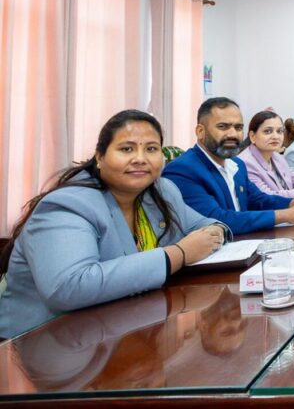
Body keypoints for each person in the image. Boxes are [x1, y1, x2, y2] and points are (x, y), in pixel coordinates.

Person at [0, 110, 229, 338]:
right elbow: (69, 288)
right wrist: (179, 254)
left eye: (151, 149)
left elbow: (203, 224)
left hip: (123, 327)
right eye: (126, 149)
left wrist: (216, 231)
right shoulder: (68, 205)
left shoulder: (161, 191)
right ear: (100, 157)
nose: (140, 158)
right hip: (41, 342)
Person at [163, 97, 294, 235]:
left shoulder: (236, 164)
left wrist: (293, 203)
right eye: (223, 126)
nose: (233, 134)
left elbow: (258, 199)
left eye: (238, 128)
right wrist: (287, 215)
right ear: (200, 131)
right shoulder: (183, 170)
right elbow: (217, 219)